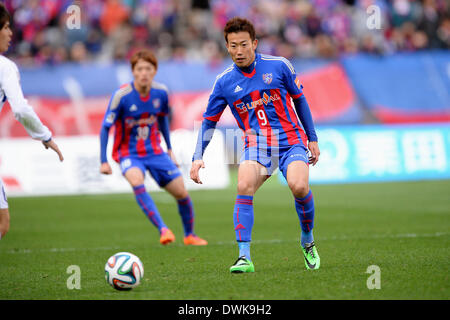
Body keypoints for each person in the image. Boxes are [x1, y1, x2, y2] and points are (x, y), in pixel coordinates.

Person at [190, 17, 320, 273]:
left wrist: (312, 138)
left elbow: (300, 100)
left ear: (255, 43)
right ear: (226, 47)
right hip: (258, 147)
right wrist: (197, 156)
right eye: (233, 45)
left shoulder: (279, 66)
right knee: (243, 184)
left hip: (291, 141)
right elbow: (208, 122)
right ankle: (244, 257)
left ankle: (307, 239)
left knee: (299, 186)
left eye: (244, 45)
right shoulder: (224, 82)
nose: (239, 51)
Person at [99, 49, 207, 246]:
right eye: (139, 69)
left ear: (154, 71)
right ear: (133, 71)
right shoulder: (121, 95)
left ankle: (190, 235)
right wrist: (104, 160)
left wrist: (169, 149)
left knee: (182, 193)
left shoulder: (161, 93)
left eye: (148, 68)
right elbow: (106, 127)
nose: (144, 73)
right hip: (128, 152)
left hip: (155, 151)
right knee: (136, 181)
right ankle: (163, 229)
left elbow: (163, 121)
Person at [0, 3, 64, 240]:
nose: (10, 33)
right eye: (5, 27)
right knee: (2, 224)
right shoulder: (5, 67)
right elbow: (20, 109)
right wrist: (45, 136)